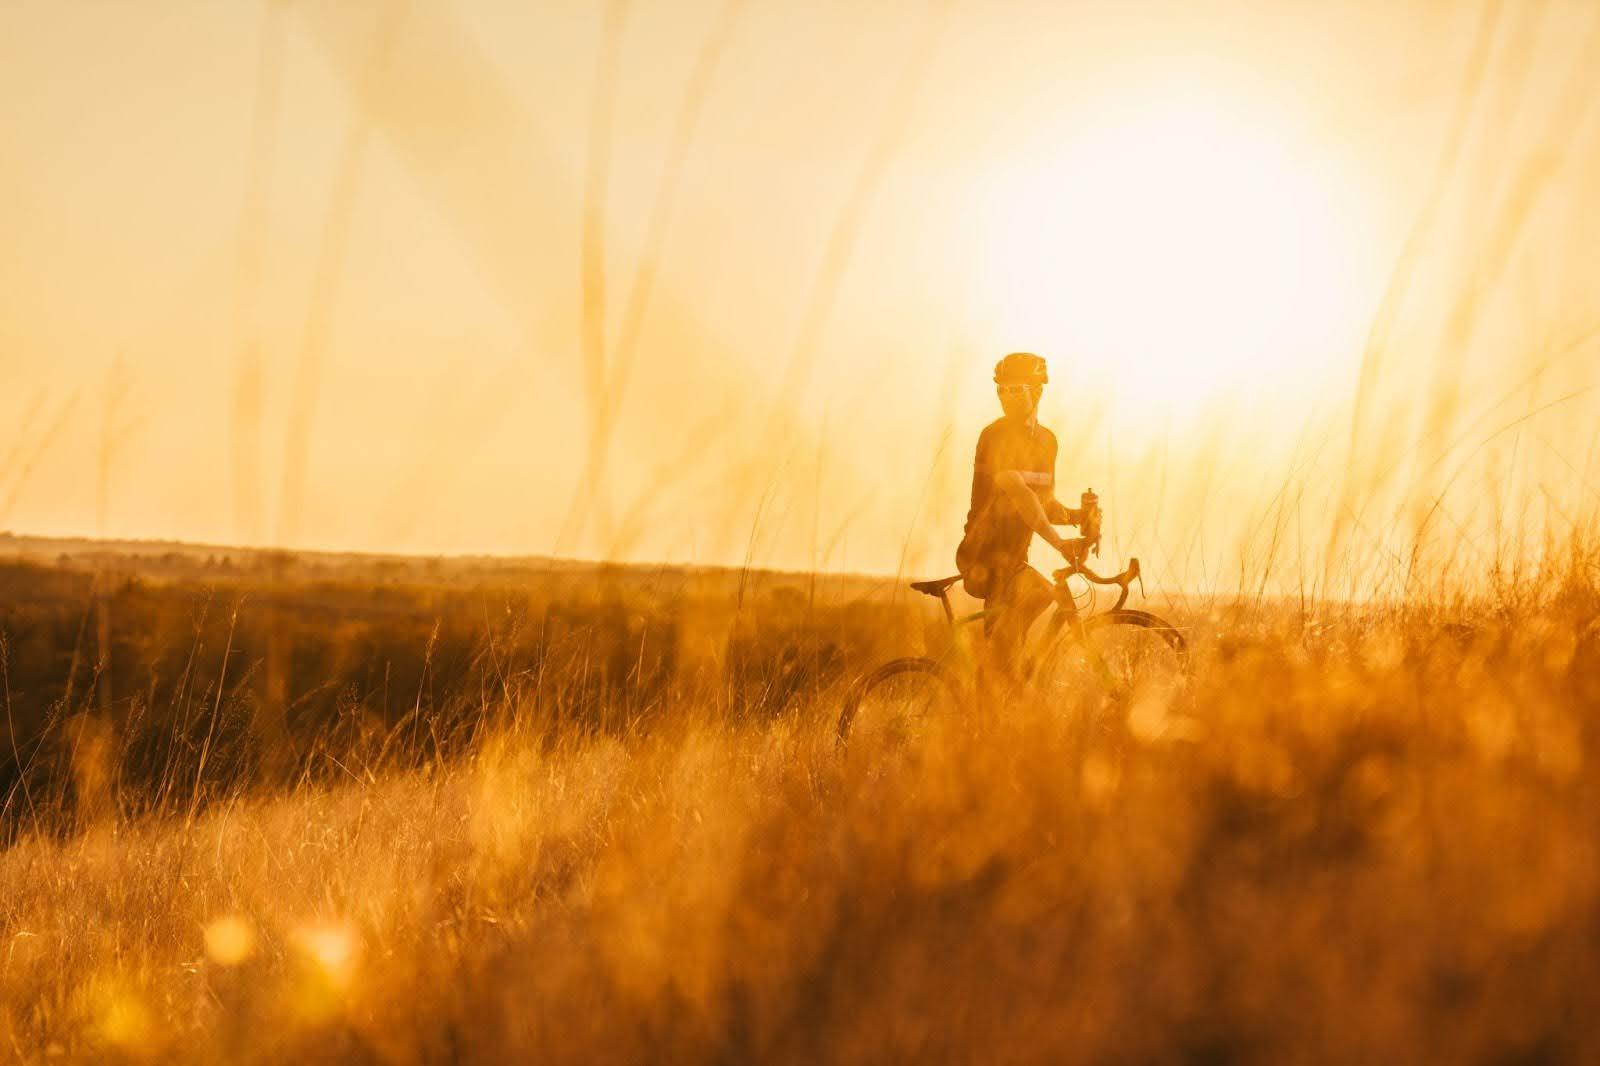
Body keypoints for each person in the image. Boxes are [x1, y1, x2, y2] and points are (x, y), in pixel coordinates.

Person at [955, 352, 1097, 676]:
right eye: (1001, 390)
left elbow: (1044, 503)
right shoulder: (995, 435)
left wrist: (1080, 518)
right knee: (1038, 598)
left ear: (1038, 390)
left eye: (1015, 389)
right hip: (984, 553)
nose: (1006, 397)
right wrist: (1061, 545)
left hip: (1015, 555)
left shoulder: (1047, 441)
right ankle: (997, 692)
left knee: (1032, 612)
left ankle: (1009, 680)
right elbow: (1019, 495)